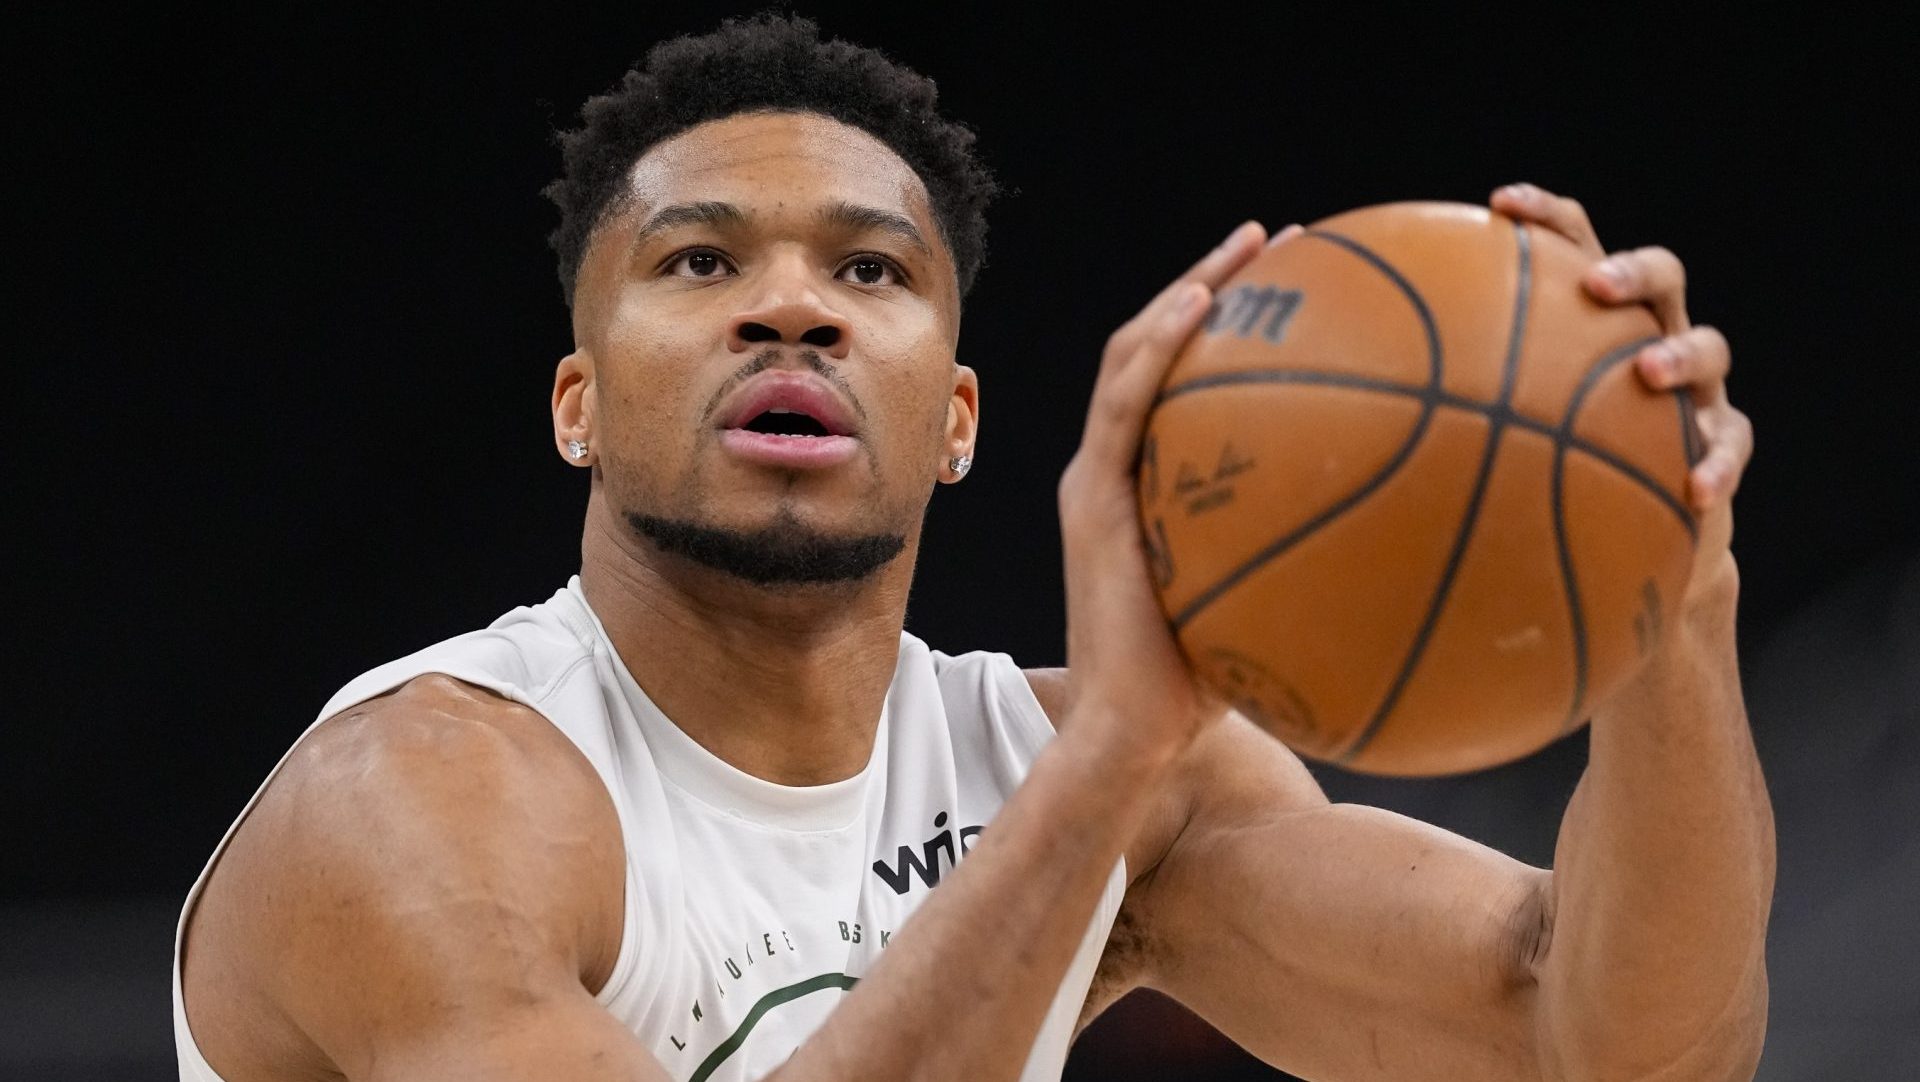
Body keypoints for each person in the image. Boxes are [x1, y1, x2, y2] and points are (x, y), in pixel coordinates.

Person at [171, 14, 1771, 1082]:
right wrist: (1113, 764)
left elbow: (1616, 1044)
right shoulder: (420, 801)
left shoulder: (1077, 771)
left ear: (958, 418)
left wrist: (1671, 599)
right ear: (577, 406)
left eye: (871, 271)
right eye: (700, 258)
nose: (789, 304)